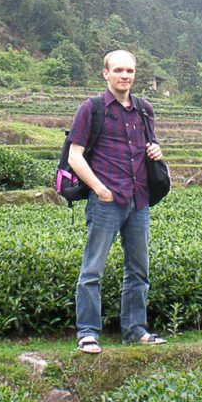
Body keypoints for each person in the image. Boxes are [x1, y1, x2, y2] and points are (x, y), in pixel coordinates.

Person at [67, 49, 166, 354]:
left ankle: (135, 331)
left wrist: (157, 152)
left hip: (139, 201)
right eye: (119, 70)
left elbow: (151, 145)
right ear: (106, 73)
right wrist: (99, 189)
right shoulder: (92, 109)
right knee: (92, 270)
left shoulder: (144, 109)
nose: (125, 76)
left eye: (130, 71)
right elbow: (74, 156)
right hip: (106, 201)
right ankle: (87, 333)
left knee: (138, 270)